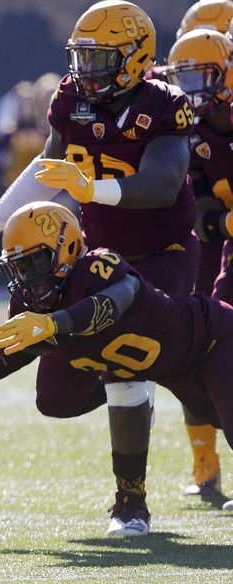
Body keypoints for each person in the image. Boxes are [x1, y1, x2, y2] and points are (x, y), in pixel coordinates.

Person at [0, 1, 197, 536]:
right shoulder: (72, 99)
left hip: (163, 252)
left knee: (128, 363)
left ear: (135, 58)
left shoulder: (164, 104)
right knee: (54, 400)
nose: (87, 70)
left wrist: (90, 188)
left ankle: (130, 503)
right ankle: (129, 373)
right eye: (82, 57)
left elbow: (163, 184)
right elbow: (48, 167)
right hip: (99, 251)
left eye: (100, 58)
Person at [0, 202, 233, 525]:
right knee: (54, 398)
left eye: (35, 261)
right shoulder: (34, 302)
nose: (28, 276)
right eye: (19, 267)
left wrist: (53, 324)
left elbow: (117, 299)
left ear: (66, 247)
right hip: (164, 367)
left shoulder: (100, 267)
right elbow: (10, 355)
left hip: (211, 344)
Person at [164, 28, 233, 497]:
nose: (188, 91)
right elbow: (203, 215)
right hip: (220, 247)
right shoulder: (188, 124)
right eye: (182, 79)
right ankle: (205, 463)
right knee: (207, 338)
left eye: (198, 78)